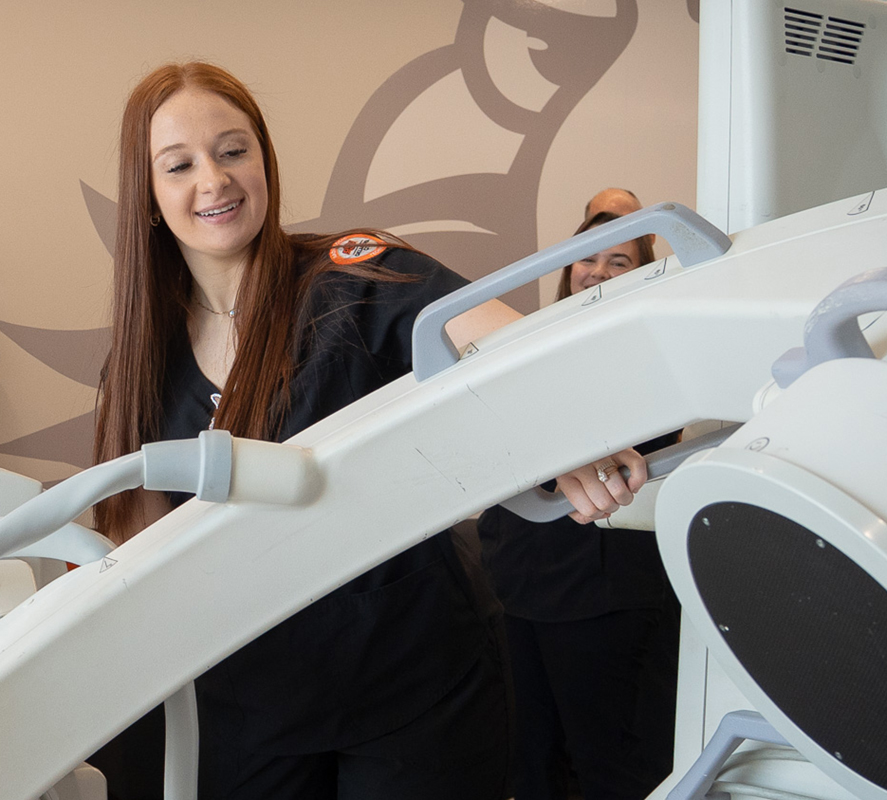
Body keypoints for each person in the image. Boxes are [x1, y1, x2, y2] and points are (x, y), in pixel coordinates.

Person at [87, 61, 644, 800]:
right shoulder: (141, 366)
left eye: (233, 150)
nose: (214, 181)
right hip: (251, 698)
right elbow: (137, 552)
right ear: (150, 196)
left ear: (264, 160)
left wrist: (568, 437)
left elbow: (510, 349)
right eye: (179, 165)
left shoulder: (351, 276)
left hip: (412, 681)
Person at [477, 210, 681, 800]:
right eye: (587, 259)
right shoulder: (526, 344)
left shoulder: (655, 340)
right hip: (517, 581)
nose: (597, 271)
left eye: (619, 261)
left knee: (610, 764)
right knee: (530, 761)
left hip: (605, 589)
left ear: (645, 272)